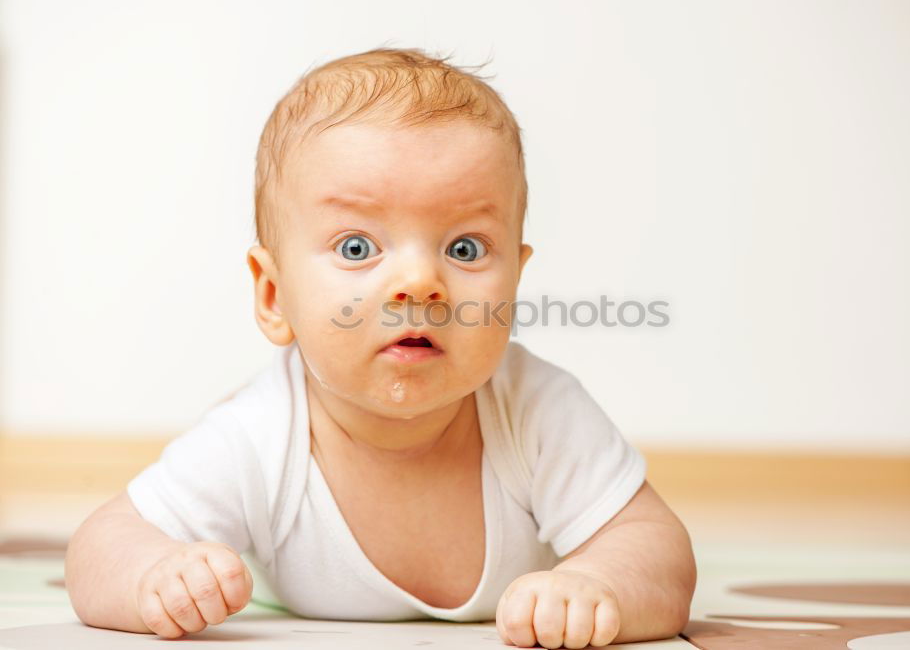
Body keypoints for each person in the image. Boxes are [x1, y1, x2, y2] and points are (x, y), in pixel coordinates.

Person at [64, 47, 696, 649]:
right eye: (357, 247)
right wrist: (155, 575)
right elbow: (101, 545)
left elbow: (655, 547)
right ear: (274, 295)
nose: (419, 283)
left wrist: (598, 582)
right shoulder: (260, 437)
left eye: (466, 248)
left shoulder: (535, 410)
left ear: (514, 284)